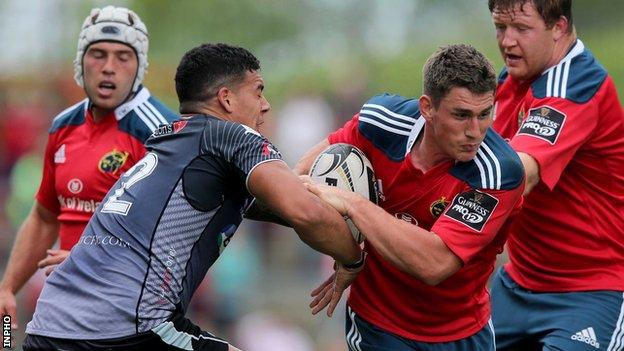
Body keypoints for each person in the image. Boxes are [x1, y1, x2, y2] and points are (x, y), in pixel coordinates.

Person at [21, 43, 364, 351]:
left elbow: (270, 205)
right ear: (227, 99)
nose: (266, 105)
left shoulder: (167, 141)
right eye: (258, 91)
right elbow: (307, 214)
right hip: (128, 327)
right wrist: (352, 258)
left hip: (49, 326)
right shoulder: (233, 137)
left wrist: (319, 198)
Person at [296, 44, 525, 351]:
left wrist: (352, 203)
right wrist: (348, 255)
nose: (475, 131)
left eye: (485, 114)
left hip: (463, 334)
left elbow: (433, 264)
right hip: (380, 325)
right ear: (427, 107)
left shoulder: (499, 172)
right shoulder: (380, 122)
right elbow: (302, 180)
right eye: (461, 115)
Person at [0, 5, 178, 331]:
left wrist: (90, 260)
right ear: (80, 62)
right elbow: (45, 216)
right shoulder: (62, 127)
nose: (109, 67)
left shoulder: (161, 131)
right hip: (63, 303)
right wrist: (8, 288)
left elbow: (174, 231)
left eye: (123, 56)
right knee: (9, 340)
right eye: (97, 54)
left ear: (139, 67)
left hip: (128, 311)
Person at [487, 1, 624, 350]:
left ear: (559, 27)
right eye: (501, 27)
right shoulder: (509, 82)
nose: (507, 41)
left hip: (593, 291)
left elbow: (519, 175)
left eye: (521, 28)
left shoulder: (574, 84)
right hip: (520, 285)